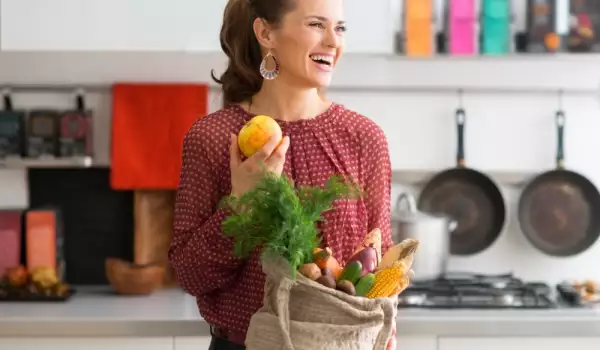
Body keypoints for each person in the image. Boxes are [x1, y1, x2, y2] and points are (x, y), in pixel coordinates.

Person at [168, 0, 395, 349]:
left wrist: (386, 334)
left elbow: (381, 267)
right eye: (317, 25)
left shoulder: (364, 138)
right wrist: (241, 204)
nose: (334, 42)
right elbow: (190, 275)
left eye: (340, 28)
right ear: (266, 33)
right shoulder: (214, 138)